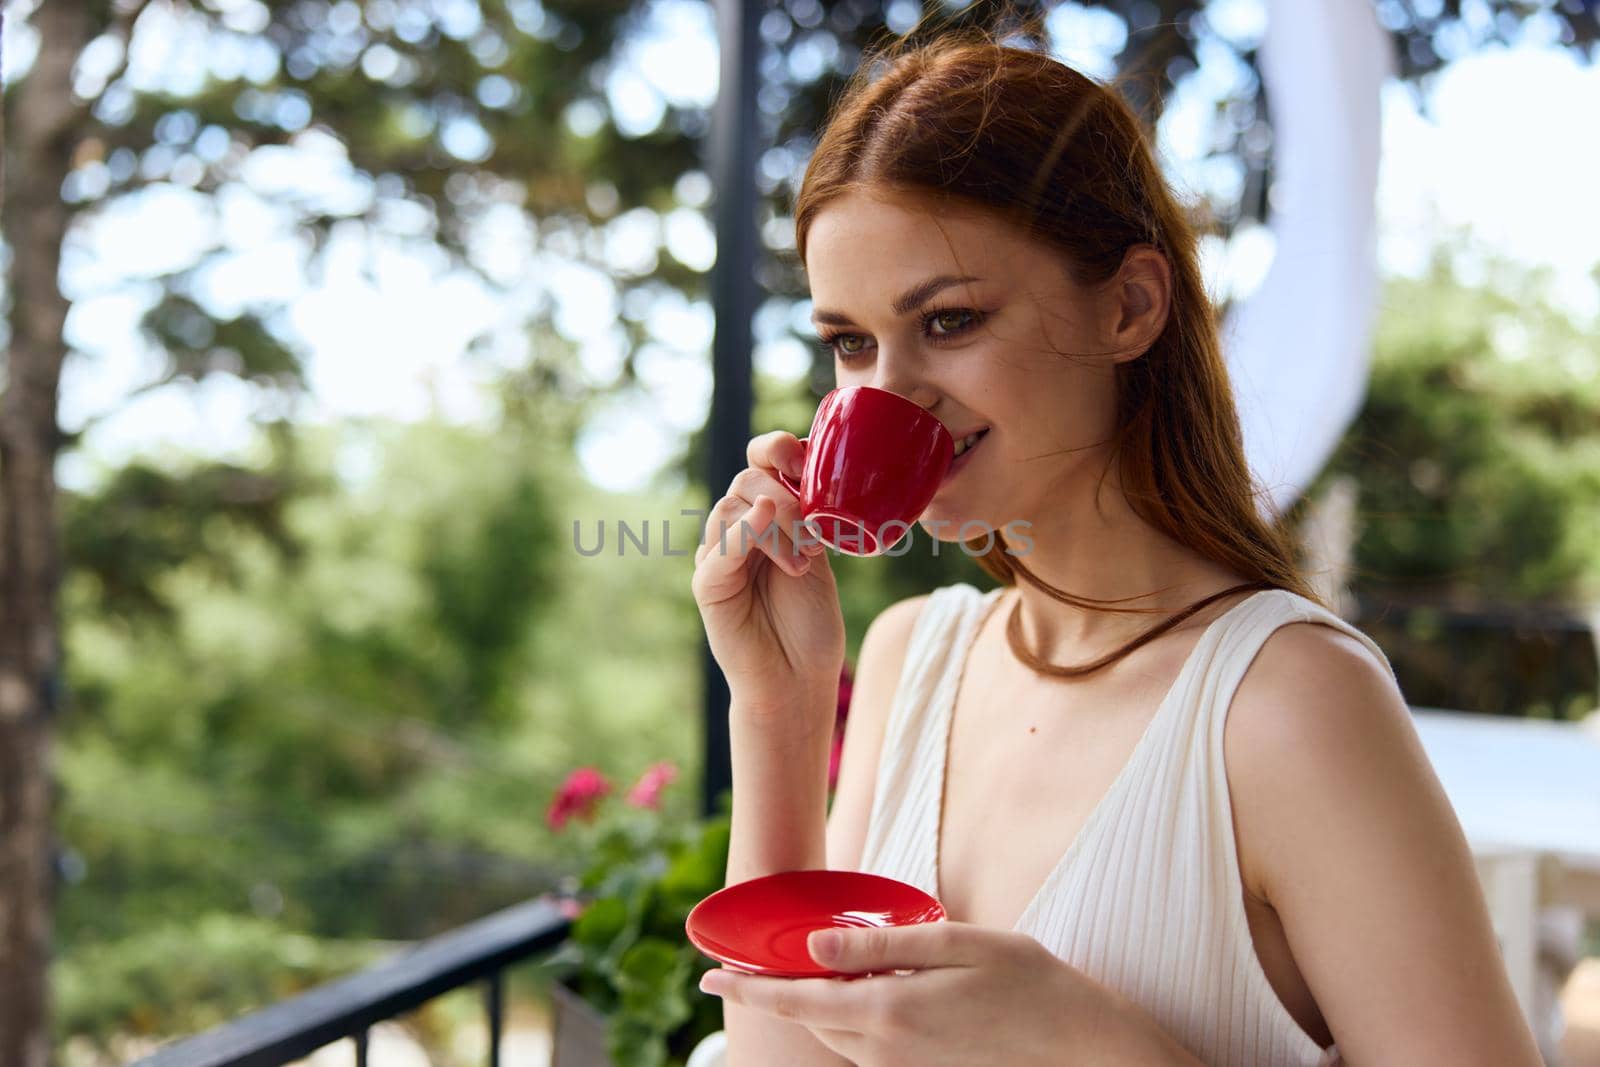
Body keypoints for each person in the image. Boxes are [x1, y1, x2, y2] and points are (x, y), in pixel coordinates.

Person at [688, 27, 1543, 1067]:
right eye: (851, 342)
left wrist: (1084, 1037)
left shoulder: (1286, 703)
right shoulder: (917, 655)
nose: (884, 394)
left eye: (950, 321)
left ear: (1128, 306)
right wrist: (776, 705)